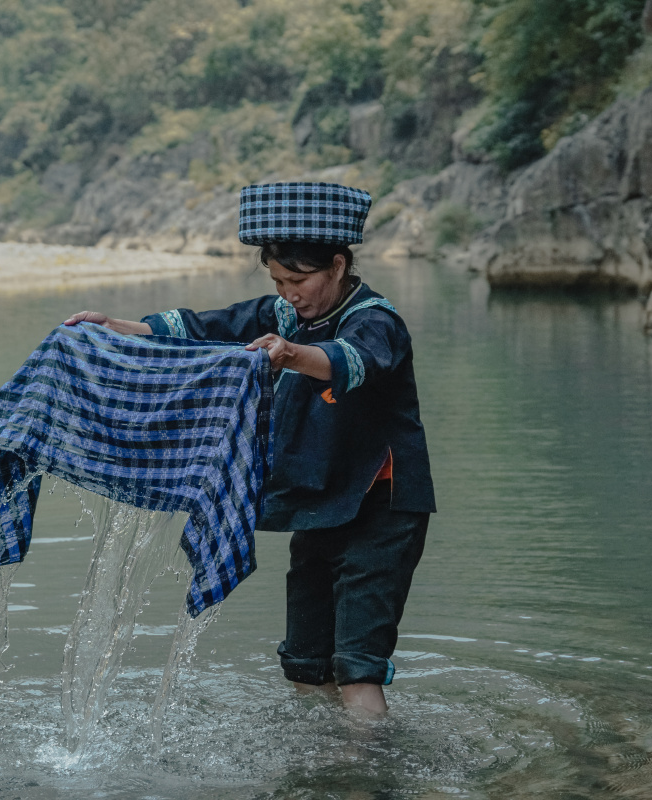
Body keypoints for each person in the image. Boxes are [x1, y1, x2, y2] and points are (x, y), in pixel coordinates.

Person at [64, 181, 436, 714]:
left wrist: (291, 354)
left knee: (357, 668)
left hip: (384, 508)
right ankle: (322, 764)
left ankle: (366, 776)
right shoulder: (284, 316)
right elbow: (204, 327)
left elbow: (350, 362)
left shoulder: (375, 319)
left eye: (301, 279)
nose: (290, 293)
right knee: (306, 664)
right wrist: (120, 328)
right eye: (279, 281)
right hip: (320, 501)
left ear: (337, 265)